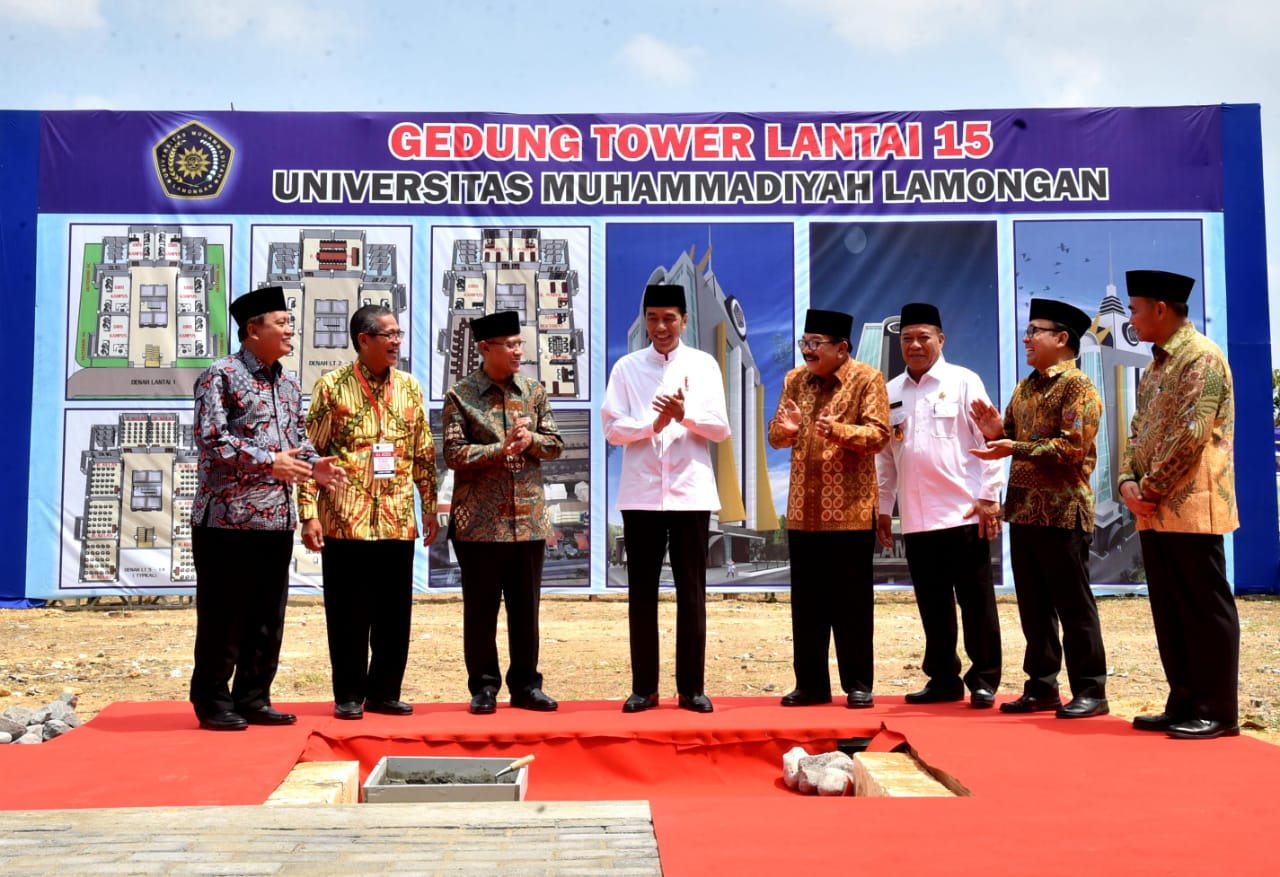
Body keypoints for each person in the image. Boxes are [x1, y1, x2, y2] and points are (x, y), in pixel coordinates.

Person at [188, 286, 345, 731]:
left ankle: (254, 697)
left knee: (266, 617)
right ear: (253, 330)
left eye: (289, 322)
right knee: (224, 614)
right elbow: (212, 438)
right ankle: (212, 700)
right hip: (226, 520)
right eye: (281, 322)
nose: (290, 329)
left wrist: (315, 466)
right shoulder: (221, 375)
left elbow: (298, 442)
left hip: (275, 519)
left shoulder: (289, 384)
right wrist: (268, 461)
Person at [970, 297, 1108, 719]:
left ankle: (1091, 690)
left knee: (1074, 607)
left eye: (1035, 331)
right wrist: (996, 430)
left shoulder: (1077, 386)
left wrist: (1014, 446)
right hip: (1025, 511)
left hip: (1063, 512)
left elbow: (1072, 448)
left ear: (1062, 338)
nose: (1026, 338)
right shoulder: (1026, 386)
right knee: (1034, 608)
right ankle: (1042, 686)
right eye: (1027, 331)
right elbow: (1010, 434)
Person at [299, 304, 439, 721]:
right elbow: (311, 454)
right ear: (364, 340)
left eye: (398, 334)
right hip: (346, 518)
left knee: (394, 614)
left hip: (397, 517)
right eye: (388, 335)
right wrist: (309, 512)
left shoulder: (410, 387)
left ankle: (384, 692)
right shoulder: (331, 387)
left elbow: (423, 452)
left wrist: (429, 507)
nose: (396, 342)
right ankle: (348, 694)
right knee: (348, 614)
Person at [1119, 270, 1240, 740]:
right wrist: (1127, 482)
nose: (1131, 318)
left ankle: (1217, 710)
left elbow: (1191, 434)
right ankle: (1185, 701)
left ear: (1160, 308)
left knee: (1203, 606)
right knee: (1170, 608)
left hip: (1191, 504)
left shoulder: (1201, 357)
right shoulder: (1156, 365)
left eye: (1135, 309)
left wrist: (1147, 489)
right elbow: (1137, 430)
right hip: (1153, 508)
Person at [602, 283, 731, 714]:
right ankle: (645, 688)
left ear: (684, 321)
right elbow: (612, 429)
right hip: (640, 495)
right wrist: (651, 425)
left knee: (691, 593)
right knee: (641, 594)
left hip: (690, 493)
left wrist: (683, 415)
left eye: (669, 319)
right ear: (645, 321)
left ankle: (691, 688)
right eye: (653, 318)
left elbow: (720, 428)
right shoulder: (626, 368)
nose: (661, 327)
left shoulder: (704, 365)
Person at [876, 303, 1004, 709]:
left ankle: (984, 679)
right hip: (916, 518)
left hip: (963, 513)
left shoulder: (964, 381)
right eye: (907, 339)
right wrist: (884, 508)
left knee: (976, 602)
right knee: (933, 605)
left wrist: (989, 497)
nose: (914, 345)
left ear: (941, 340)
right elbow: (885, 458)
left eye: (923, 337)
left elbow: (991, 442)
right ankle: (943, 679)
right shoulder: (891, 391)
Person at [442, 310, 564, 715]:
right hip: (479, 524)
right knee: (481, 611)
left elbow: (555, 444)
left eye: (519, 343)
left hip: (528, 521)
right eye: (509, 345)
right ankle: (483, 687)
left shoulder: (533, 391)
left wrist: (530, 441)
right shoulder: (461, 396)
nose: (517, 351)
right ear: (485, 348)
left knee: (526, 610)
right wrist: (500, 449)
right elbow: (454, 454)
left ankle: (526, 686)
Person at [767, 308, 889, 709]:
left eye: (815, 344)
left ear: (842, 347)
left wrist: (835, 430)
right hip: (803, 511)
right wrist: (785, 431)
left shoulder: (867, 379)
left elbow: (879, 435)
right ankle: (811, 685)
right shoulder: (793, 380)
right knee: (807, 605)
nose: (807, 351)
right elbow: (775, 436)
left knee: (852, 604)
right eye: (804, 343)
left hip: (850, 513)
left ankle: (858, 683)